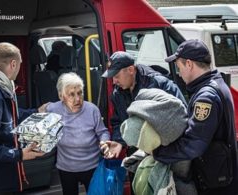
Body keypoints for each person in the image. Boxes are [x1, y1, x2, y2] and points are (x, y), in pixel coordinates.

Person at [152, 39, 238, 195]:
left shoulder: (205, 98)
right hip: (221, 173)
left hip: (216, 182)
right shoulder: (216, 82)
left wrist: (158, 153)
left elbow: (193, 144)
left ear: (189, 64)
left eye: (179, 67)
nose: (178, 73)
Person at [101, 51, 187, 194]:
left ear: (130, 70)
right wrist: (119, 142)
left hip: (166, 156)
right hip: (138, 156)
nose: (114, 81)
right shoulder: (118, 93)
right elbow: (118, 121)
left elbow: (182, 117)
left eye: (116, 76)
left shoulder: (160, 84)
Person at [0, 42, 45, 194]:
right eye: (20, 64)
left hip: (3, 176)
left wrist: (36, 111)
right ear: (13, 64)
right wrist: (19, 154)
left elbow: (8, 116)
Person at [44, 72, 111, 195]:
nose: (78, 99)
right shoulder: (53, 109)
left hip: (92, 167)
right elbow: (39, 113)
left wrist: (104, 142)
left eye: (80, 93)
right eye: (71, 95)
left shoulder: (92, 110)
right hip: (66, 168)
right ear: (61, 96)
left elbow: (103, 132)